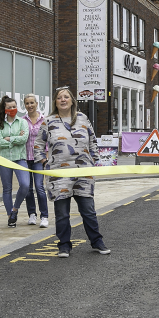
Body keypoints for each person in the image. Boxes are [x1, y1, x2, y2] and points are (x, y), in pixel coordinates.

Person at [34, 87, 110, 258]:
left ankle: (97, 242)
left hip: (84, 172)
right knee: (62, 213)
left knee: (88, 210)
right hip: (59, 174)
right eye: (59, 97)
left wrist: (94, 160)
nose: (63, 100)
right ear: (55, 102)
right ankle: (64, 245)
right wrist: (44, 162)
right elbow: (38, 145)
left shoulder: (83, 118)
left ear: (72, 100)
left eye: (66, 97)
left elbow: (92, 141)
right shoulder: (49, 121)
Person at [0, 96, 30, 228]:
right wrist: (15, 139)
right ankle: (10, 217)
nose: (12, 109)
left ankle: (15, 209)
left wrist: (8, 138)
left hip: (19, 158)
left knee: (25, 185)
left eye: (14, 106)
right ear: (4, 109)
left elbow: (24, 139)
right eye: (9, 107)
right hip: (4, 159)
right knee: (7, 189)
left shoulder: (22, 122)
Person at [22, 94, 49, 228]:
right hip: (25, 159)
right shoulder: (22, 121)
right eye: (27, 103)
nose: (30, 105)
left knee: (39, 187)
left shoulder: (44, 120)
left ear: (37, 104)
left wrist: (46, 158)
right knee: (27, 188)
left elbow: (47, 139)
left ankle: (44, 216)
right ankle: (32, 214)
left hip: (38, 159)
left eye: (32, 103)